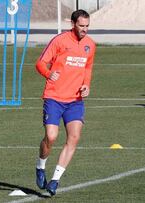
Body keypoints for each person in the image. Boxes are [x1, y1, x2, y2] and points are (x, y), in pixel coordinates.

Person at [34, 9, 96, 196]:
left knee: (74, 138)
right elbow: (40, 63)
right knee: (51, 136)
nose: (84, 29)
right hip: (54, 97)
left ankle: (55, 180)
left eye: (87, 26)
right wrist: (48, 73)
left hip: (75, 101)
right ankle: (40, 166)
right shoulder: (59, 41)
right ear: (73, 24)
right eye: (81, 26)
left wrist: (86, 85)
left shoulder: (90, 45)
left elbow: (87, 68)